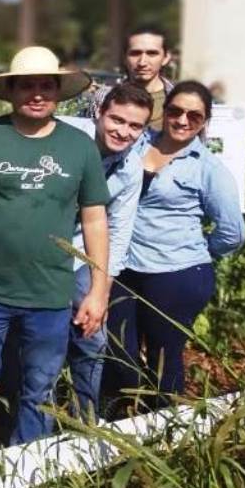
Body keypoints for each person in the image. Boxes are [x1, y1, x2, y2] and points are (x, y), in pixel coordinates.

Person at [0, 46, 111, 457]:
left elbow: (96, 221)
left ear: (58, 91)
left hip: (50, 295)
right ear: (11, 90)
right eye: (27, 85)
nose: (37, 93)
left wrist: (98, 290)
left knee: (40, 390)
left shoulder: (79, 147)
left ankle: (27, 469)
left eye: (45, 85)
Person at [102, 81, 245, 414]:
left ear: (205, 121)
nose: (182, 120)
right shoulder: (137, 144)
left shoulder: (208, 168)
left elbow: (232, 232)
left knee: (163, 360)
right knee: (117, 353)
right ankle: (119, 429)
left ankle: (164, 436)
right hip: (123, 268)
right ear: (163, 112)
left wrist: (196, 254)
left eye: (194, 115)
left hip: (175, 275)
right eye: (175, 111)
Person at [44, 83, 152, 421]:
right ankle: (37, 422)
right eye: (116, 120)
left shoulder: (130, 168)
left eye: (135, 126)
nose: (123, 132)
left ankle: (85, 422)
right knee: (43, 343)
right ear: (99, 113)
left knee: (92, 339)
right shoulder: (61, 135)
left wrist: (99, 293)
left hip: (81, 254)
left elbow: (119, 233)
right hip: (36, 253)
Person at [88, 25, 174, 130]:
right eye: (135, 53)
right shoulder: (104, 96)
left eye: (152, 53)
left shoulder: (180, 99)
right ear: (124, 57)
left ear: (166, 58)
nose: (142, 62)